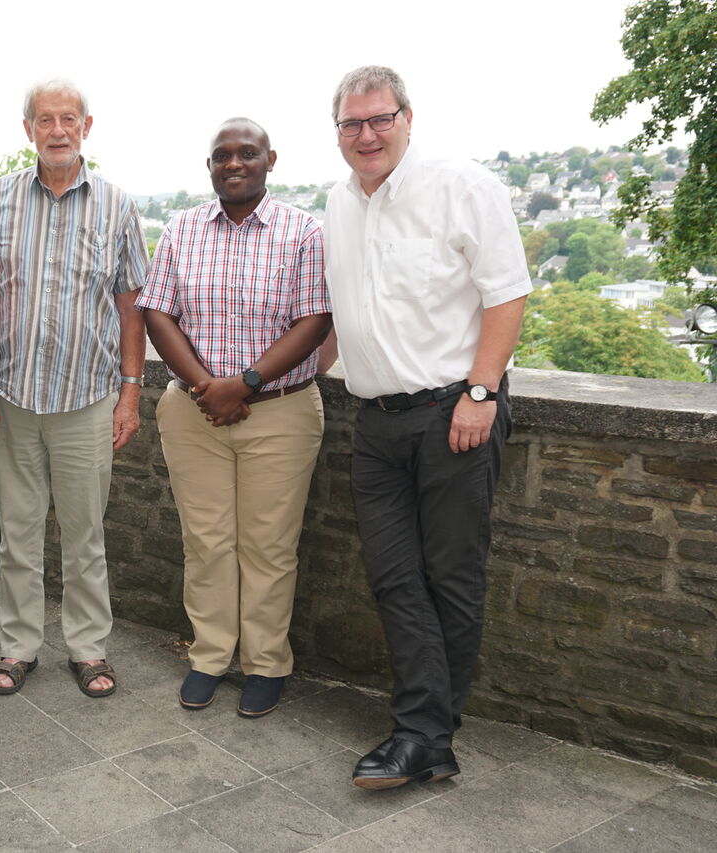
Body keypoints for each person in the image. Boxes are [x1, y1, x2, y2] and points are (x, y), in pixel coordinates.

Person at [323, 66, 531, 788]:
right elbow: (344, 312)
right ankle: (430, 738)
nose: (366, 135)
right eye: (352, 124)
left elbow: (507, 294)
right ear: (339, 132)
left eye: (380, 119)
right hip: (375, 421)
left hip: (454, 414)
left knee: (451, 577)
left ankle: (420, 733)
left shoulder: (461, 187)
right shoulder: (338, 204)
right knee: (393, 577)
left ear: (409, 118)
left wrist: (481, 390)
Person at [0, 79, 148, 698]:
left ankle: (89, 649)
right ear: (29, 129)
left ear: (86, 127)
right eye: (45, 119)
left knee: (86, 535)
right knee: (18, 532)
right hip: (10, 399)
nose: (57, 129)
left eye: (69, 119)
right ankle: (18, 649)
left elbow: (130, 309)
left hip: (87, 400)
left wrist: (131, 393)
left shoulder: (117, 205)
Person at [138, 118, 331, 718]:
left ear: (271, 160)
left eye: (247, 153)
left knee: (269, 546)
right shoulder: (183, 228)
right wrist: (207, 388)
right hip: (194, 413)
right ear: (209, 166)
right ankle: (211, 655)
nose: (233, 163)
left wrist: (244, 383)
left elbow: (315, 320)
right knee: (207, 541)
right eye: (222, 155)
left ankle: (266, 663)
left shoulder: (304, 232)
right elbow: (157, 314)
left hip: (280, 411)